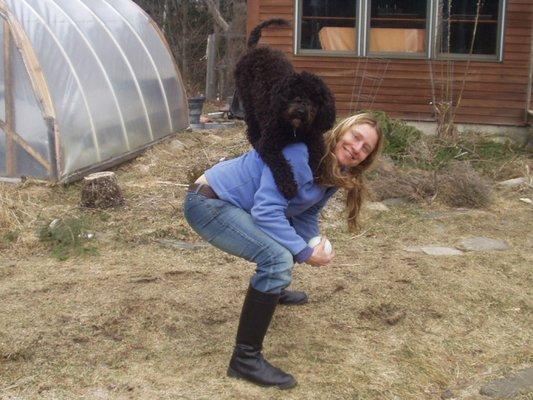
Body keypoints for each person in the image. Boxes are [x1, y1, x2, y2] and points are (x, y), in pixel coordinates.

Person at [183, 112, 383, 389]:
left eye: (366, 148)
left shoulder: (337, 170)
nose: (357, 148)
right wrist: (304, 253)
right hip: (208, 202)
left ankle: (271, 291)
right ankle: (245, 359)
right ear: (342, 131)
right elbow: (266, 212)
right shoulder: (301, 154)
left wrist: (314, 244)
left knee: (287, 241)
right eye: (356, 137)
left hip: (236, 205)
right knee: (277, 259)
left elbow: (304, 215)